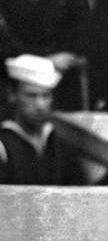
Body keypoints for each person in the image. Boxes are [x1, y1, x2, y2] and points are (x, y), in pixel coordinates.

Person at [0, 53, 87, 184]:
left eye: (46, 96)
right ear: (12, 95)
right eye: (31, 95)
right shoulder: (4, 146)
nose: (40, 105)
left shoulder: (61, 145)